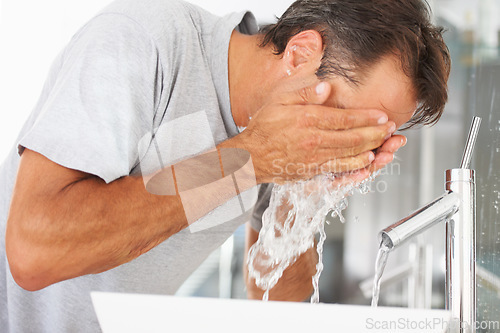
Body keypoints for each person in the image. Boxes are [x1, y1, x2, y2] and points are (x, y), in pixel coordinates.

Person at [0, 0, 450, 331]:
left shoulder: (287, 136)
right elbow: (33, 251)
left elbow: (275, 300)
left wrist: (305, 199)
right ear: (299, 55)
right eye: (345, 124)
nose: (346, 145)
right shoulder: (142, 41)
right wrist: (249, 159)